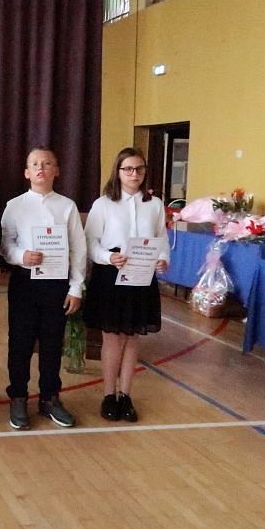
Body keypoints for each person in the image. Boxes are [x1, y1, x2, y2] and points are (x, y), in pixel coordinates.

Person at [0, 147, 86, 430]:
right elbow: (5, 244)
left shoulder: (67, 206)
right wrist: (21, 256)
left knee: (52, 343)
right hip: (25, 283)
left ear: (56, 171)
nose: (41, 168)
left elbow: (78, 249)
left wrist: (76, 287)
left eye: (47, 163)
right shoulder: (14, 206)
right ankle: (18, 396)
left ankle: (49, 397)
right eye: (35, 164)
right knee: (20, 343)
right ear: (26, 172)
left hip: (56, 283)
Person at [83, 147, 170, 423]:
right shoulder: (103, 204)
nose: (134, 174)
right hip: (111, 275)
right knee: (112, 338)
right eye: (128, 169)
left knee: (132, 337)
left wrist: (163, 259)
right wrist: (107, 257)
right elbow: (90, 241)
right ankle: (109, 395)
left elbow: (162, 238)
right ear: (118, 172)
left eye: (139, 169)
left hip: (142, 275)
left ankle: (126, 395)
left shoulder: (154, 204)